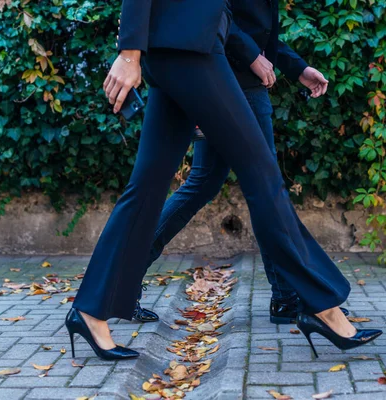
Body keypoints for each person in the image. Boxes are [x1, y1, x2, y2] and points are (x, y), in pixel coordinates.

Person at [65, 0, 383, 361]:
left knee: (147, 185)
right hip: (189, 48)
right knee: (262, 175)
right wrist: (128, 52)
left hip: (184, 45)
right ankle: (322, 306)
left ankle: (90, 310)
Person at [134, 0, 350, 326]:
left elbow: (256, 30)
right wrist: (250, 56)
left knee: (206, 184)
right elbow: (209, 15)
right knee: (265, 190)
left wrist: (297, 68)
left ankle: (123, 280)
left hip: (229, 80)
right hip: (230, 82)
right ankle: (287, 297)